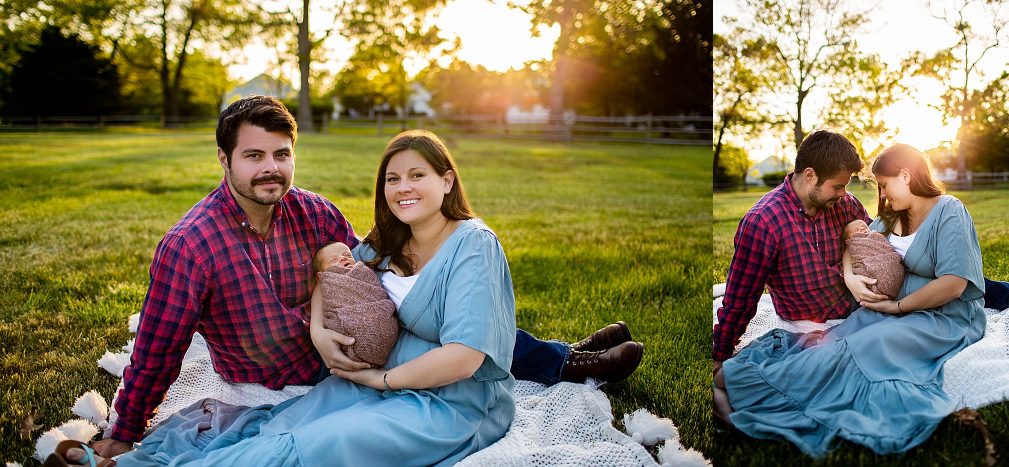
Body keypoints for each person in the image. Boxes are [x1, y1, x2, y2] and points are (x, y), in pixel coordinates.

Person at [78, 96, 644, 459]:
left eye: (281, 153)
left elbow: (374, 283)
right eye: (253, 156)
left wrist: (326, 321)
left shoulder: (314, 211)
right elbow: (157, 348)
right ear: (224, 161)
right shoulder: (191, 245)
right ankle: (567, 359)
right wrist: (126, 429)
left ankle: (566, 360)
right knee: (426, 325)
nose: (270, 168)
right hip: (294, 374)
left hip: (371, 352)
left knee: (434, 307)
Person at [56, 129, 513, 466]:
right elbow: (331, 273)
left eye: (418, 175)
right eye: (392, 179)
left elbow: (467, 356)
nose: (403, 188)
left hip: (447, 400)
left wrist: (382, 383)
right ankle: (133, 461)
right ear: (225, 159)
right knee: (283, 424)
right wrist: (318, 327)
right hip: (372, 376)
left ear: (448, 181)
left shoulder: (474, 244)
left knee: (314, 449)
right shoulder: (388, 240)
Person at [714, 143, 987, 457]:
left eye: (883, 186)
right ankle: (746, 382)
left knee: (867, 347)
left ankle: (757, 397)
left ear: (906, 176)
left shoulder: (949, 210)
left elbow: (954, 283)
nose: (880, 196)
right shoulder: (889, 216)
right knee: (832, 341)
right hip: (890, 311)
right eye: (878, 188)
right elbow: (855, 240)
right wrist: (850, 276)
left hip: (941, 316)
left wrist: (895, 307)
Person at [712, 129, 1009, 377]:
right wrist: (720, 352)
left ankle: (1005, 292)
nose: (845, 195)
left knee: (921, 269)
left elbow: (873, 243)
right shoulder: (764, 222)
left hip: (874, 303)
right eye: (838, 186)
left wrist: (857, 282)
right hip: (827, 319)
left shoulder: (843, 204)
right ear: (809, 176)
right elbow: (741, 297)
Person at [842, 219, 904, 299]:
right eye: (857, 230)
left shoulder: (874, 234)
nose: (862, 229)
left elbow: (884, 245)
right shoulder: (854, 243)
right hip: (865, 271)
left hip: (888, 263)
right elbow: (853, 250)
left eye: (864, 226)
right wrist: (848, 276)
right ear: (848, 240)